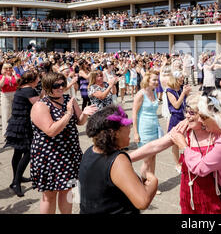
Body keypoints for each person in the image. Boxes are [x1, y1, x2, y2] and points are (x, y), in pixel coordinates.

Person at [30, 72, 97, 214]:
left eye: (63, 84)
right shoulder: (40, 106)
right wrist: (67, 114)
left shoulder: (69, 99)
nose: (61, 87)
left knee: (68, 191)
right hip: (49, 156)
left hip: (69, 153)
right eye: (57, 85)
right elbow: (51, 131)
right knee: (49, 195)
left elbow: (80, 121)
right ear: (48, 87)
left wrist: (84, 113)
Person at [79, 105, 158, 214]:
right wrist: (153, 181)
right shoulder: (117, 160)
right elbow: (142, 202)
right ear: (114, 133)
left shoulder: (90, 151)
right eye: (126, 125)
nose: (130, 128)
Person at [4, 70, 40, 197]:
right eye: (37, 79)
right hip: (23, 124)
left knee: (18, 152)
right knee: (29, 152)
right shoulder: (30, 91)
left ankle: (17, 179)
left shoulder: (21, 88)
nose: (39, 80)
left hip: (17, 124)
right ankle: (16, 182)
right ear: (32, 80)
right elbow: (39, 105)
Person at [132, 70, 163, 193]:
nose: (156, 82)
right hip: (144, 128)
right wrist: (135, 132)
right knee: (146, 159)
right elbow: (134, 114)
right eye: (154, 80)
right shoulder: (141, 94)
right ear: (147, 81)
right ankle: (143, 184)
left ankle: (152, 183)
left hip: (154, 127)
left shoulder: (154, 92)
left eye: (157, 79)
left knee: (153, 157)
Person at [167, 71, 191, 173]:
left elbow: (187, 101)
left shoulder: (181, 88)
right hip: (176, 118)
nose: (182, 80)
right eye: (180, 79)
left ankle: (187, 161)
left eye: (182, 78)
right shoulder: (169, 91)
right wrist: (183, 93)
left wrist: (188, 93)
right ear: (175, 79)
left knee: (188, 140)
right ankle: (177, 164)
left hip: (185, 117)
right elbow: (176, 105)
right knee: (175, 143)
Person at [0, 63, 20, 137]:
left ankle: (15, 131)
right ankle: (6, 132)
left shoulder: (16, 75)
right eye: (6, 68)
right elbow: (1, 85)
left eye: (10, 68)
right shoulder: (1, 76)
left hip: (15, 94)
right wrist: (4, 76)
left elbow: (19, 83)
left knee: (15, 113)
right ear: (3, 69)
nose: (8, 69)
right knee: (5, 114)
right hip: (5, 95)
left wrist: (14, 75)